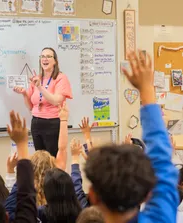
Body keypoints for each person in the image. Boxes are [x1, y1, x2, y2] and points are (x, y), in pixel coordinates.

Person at [84, 50, 179, 223]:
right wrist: (147, 90)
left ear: (92, 196)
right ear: (146, 195)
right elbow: (161, 161)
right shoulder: (161, 218)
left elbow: (161, 160)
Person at [13, 47, 72, 157]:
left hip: (52, 123)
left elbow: (56, 101)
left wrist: (39, 86)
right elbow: (30, 106)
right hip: (36, 123)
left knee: (52, 160)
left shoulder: (61, 78)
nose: (45, 59)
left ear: (55, 61)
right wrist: (24, 94)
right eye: (42, 56)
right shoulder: (37, 78)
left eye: (49, 56)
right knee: (40, 160)